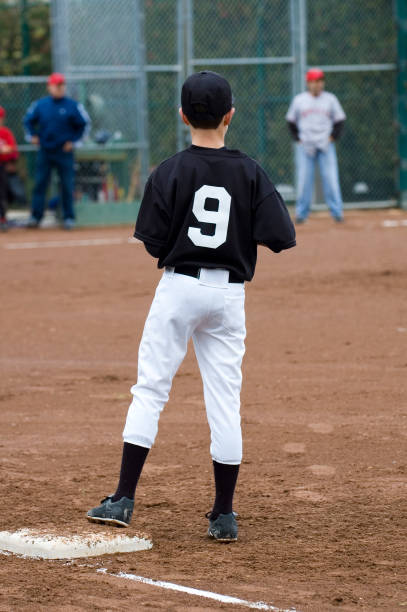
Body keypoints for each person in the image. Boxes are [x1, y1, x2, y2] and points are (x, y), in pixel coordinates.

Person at [86, 71, 296, 542]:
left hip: (179, 286)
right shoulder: (249, 170)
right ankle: (223, 515)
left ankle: (122, 499)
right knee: (224, 399)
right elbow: (281, 237)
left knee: (151, 389)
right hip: (228, 294)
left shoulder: (169, 169)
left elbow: (152, 240)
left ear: (182, 116)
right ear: (230, 115)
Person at [23, 72, 90, 230]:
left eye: (62, 85)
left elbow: (85, 125)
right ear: (49, 87)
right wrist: (32, 136)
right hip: (45, 151)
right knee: (40, 184)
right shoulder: (40, 105)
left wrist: (73, 142)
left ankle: (68, 218)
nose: (59, 88)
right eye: (56, 85)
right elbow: (27, 121)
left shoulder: (72, 106)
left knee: (67, 185)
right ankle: (36, 217)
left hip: (64, 152)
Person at [286, 68, 346, 224]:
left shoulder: (330, 99)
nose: (317, 84)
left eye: (320, 81)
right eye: (314, 81)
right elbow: (291, 121)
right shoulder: (300, 100)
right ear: (308, 83)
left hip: (325, 144)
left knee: (331, 179)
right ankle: (301, 214)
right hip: (305, 145)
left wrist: (333, 137)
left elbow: (340, 120)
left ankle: (337, 212)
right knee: (304, 180)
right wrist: (297, 138)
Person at [0, 106, 18, 231]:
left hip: (2, 167)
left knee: (3, 193)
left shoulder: (5, 133)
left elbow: (12, 149)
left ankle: (2, 218)